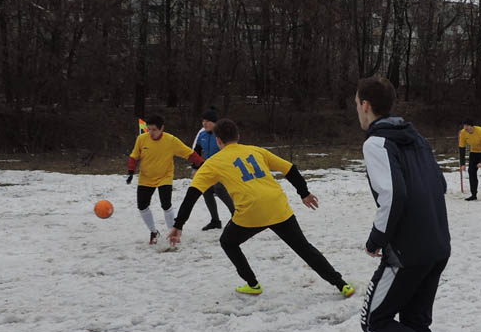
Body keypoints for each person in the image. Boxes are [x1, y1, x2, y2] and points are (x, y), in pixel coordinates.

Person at [355, 75, 466, 332]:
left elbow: (393, 194)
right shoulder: (416, 138)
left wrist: (377, 237)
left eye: (356, 105)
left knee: (374, 322)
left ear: (365, 106)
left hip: (407, 251)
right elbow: (440, 184)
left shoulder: (376, 144)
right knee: (416, 324)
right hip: (438, 244)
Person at [167, 118, 355, 299]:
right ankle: (342, 285)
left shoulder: (212, 163)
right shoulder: (256, 151)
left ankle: (252, 284)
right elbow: (290, 168)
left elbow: (192, 195)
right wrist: (304, 193)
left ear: (218, 141)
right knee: (304, 248)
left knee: (228, 242)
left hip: (251, 212)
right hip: (277, 205)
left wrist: (178, 225)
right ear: (238, 136)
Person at [126, 114, 203, 245]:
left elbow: (188, 153)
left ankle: (171, 232)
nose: (151, 132)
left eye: (154, 129)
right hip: (146, 177)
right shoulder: (141, 139)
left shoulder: (171, 140)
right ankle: (153, 231)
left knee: (166, 204)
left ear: (162, 128)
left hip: (165, 177)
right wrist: (131, 171)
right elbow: (134, 156)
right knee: (142, 206)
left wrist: (203, 164)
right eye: (149, 129)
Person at [191, 107, 235, 231]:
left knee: (220, 189)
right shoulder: (202, 134)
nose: (205, 123)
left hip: (223, 168)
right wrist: (195, 167)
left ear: (215, 123)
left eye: (208, 121)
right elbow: (197, 151)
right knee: (206, 191)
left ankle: (236, 215)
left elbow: (231, 150)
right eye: (203, 121)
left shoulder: (222, 135)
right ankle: (215, 220)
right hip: (209, 168)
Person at [458, 120, 481, 201]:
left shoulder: (480, 131)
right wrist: (462, 163)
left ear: (472, 126)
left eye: (467, 126)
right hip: (474, 153)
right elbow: (462, 149)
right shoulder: (463, 133)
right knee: (471, 172)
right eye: (464, 126)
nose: (465, 128)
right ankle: (473, 195)